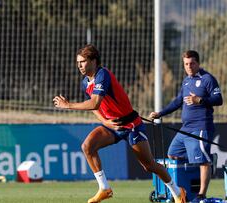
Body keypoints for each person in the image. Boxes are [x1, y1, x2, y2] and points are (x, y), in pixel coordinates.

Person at [53, 44, 186, 203]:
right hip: (112, 127)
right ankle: (104, 188)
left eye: (83, 61)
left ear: (94, 61)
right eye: (78, 62)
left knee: (149, 165)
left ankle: (178, 193)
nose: (79, 65)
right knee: (87, 147)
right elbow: (94, 107)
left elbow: (95, 102)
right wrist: (105, 122)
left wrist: (68, 105)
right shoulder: (85, 83)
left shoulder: (103, 74)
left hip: (131, 126)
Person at [149, 50, 223, 202]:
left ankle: (201, 194)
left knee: (202, 161)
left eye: (192, 63)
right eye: (186, 64)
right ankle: (184, 189)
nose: (189, 66)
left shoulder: (207, 79)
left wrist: (200, 100)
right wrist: (160, 113)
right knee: (173, 154)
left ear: (198, 63)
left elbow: (218, 99)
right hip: (185, 129)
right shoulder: (186, 81)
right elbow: (178, 101)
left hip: (201, 127)